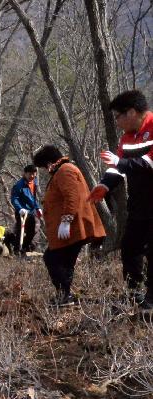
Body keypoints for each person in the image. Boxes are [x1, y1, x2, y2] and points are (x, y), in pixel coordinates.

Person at [89, 90, 153, 309]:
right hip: (139, 203)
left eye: (118, 116)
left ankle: (151, 301)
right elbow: (118, 167)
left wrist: (120, 162)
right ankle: (134, 292)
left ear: (132, 112)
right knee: (130, 247)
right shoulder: (127, 138)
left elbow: (148, 163)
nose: (116, 122)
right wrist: (105, 185)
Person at [34, 145, 106, 306]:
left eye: (44, 166)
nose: (46, 170)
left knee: (52, 258)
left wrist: (66, 221)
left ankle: (64, 295)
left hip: (73, 226)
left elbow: (72, 196)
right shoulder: (64, 170)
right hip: (72, 227)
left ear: (49, 162)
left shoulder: (65, 170)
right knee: (65, 261)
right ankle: (65, 295)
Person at [10, 165, 43, 255]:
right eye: (30, 174)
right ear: (24, 173)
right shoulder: (19, 185)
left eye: (34, 174)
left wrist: (38, 207)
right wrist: (20, 208)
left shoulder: (34, 182)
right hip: (21, 212)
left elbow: (33, 198)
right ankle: (17, 251)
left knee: (33, 231)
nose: (32, 176)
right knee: (20, 231)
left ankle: (25, 249)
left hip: (32, 211)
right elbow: (14, 198)